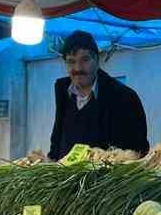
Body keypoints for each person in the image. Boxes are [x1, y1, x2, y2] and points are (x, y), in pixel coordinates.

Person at [47, 31, 149, 160]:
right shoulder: (63, 91)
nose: (78, 68)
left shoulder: (124, 97)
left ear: (97, 59)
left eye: (85, 60)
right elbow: (57, 138)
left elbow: (137, 150)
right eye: (71, 62)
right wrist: (51, 161)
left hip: (106, 172)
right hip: (64, 172)